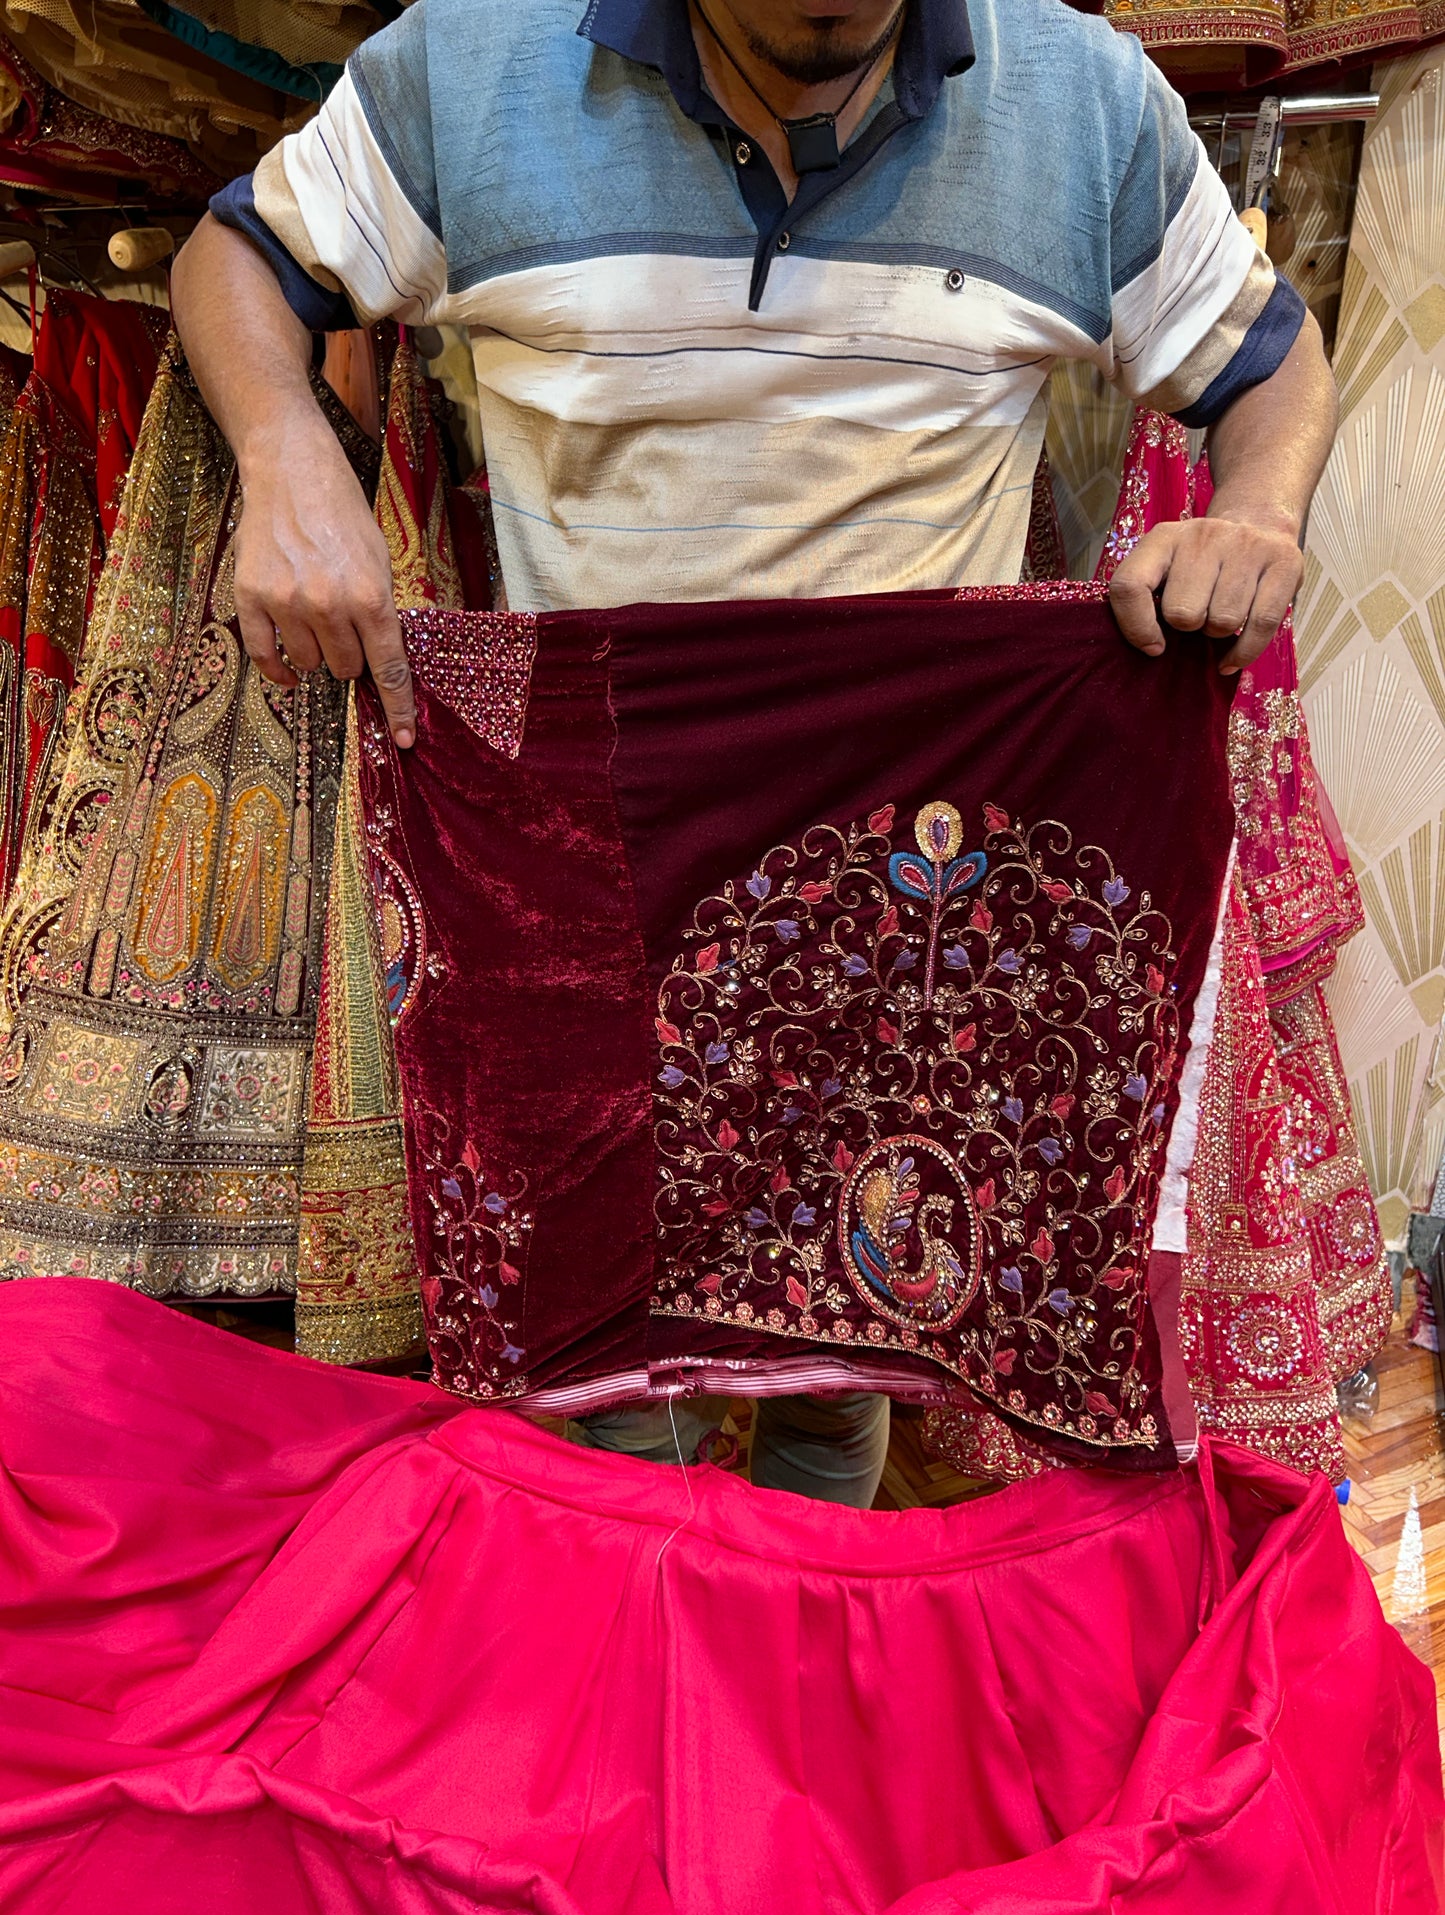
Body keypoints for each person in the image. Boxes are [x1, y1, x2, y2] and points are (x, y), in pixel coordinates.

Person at [171, 0, 1338, 1508]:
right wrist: (285, 457)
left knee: (849, 1321)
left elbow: (1272, 364)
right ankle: (630, 1631)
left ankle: (797, 1636)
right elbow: (237, 254)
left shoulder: (1079, 103)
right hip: (577, 843)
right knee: (585, 1330)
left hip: (906, 865)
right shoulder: (470, 66)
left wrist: (1255, 518)